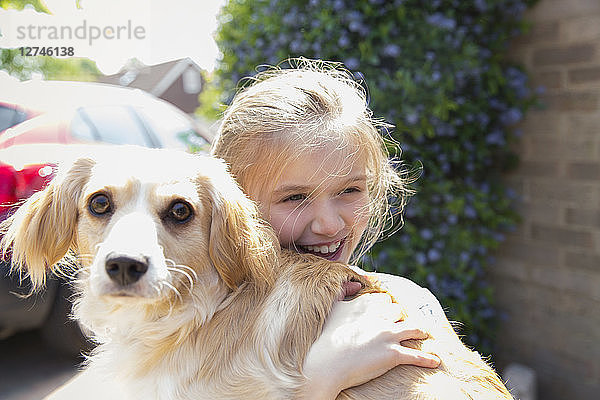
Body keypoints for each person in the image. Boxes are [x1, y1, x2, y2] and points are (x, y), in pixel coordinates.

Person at [211, 59, 454, 399]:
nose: (329, 225)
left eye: (349, 191)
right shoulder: (198, 329)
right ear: (234, 205)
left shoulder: (410, 301)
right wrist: (318, 382)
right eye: (294, 197)